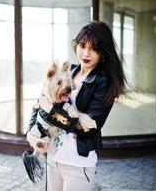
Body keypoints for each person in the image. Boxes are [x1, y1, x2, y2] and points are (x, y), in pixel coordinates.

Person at [29, 21, 127, 191]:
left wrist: (51, 111)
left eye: (94, 48)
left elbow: (87, 128)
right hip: (53, 156)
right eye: (82, 45)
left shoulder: (103, 82)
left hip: (78, 162)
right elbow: (40, 102)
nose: (86, 53)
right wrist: (30, 133)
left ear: (103, 52)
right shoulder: (69, 71)